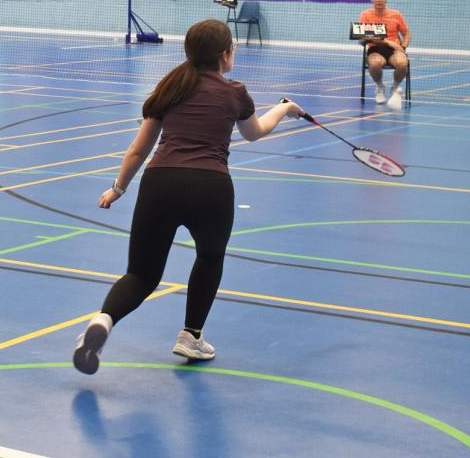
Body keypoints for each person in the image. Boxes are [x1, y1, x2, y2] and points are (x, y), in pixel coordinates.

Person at [72, 19, 305, 375]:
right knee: (209, 257)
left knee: (140, 275)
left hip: (160, 183)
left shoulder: (169, 88)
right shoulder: (235, 92)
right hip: (210, 186)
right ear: (225, 54)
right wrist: (285, 109)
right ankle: (191, 335)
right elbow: (255, 133)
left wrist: (117, 188)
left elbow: (139, 150)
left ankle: (103, 319)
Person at [358, 0, 410, 110]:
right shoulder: (365, 15)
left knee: (403, 63)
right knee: (375, 64)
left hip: (394, 50)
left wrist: (403, 46)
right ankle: (380, 87)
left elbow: (406, 32)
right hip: (375, 48)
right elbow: (363, 37)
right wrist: (387, 42)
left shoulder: (396, 14)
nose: (379, 0)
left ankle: (395, 86)